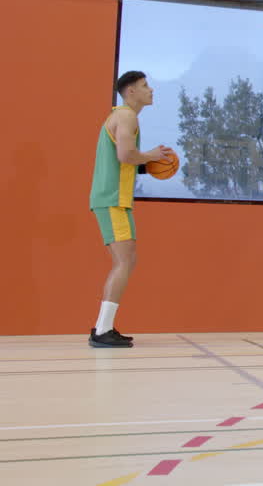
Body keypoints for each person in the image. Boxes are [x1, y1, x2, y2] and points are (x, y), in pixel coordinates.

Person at [88, 71, 174, 348]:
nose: (151, 90)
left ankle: (103, 327)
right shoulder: (126, 116)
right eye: (145, 86)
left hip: (115, 199)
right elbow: (124, 154)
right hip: (112, 199)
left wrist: (146, 164)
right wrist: (151, 156)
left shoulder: (123, 116)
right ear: (131, 92)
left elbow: (126, 160)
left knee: (126, 260)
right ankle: (102, 330)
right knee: (125, 262)